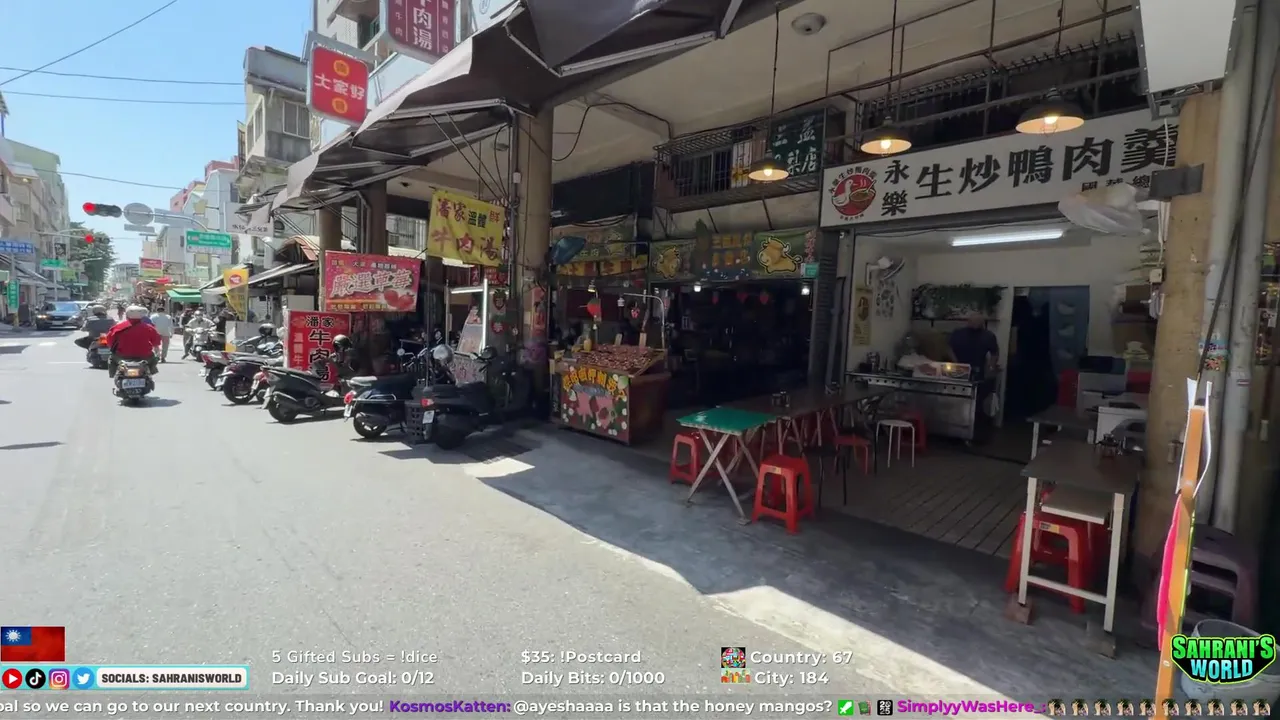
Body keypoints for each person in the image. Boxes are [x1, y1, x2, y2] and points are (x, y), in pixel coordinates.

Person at [948, 311, 1001, 442]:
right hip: (958, 371)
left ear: (982, 323)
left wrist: (991, 367)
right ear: (968, 321)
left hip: (978, 372)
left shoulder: (988, 336)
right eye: (973, 322)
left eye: (978, 322)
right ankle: (957, 432)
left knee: (976, 404)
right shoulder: (958, 333)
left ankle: (975, 434)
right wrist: (956, 363)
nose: (975, 324)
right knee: (957, 401)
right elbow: (948, 348)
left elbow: (994, 353)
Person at [105, 305, 162, 378]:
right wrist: (157, 354)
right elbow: (156, 343)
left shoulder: (118, 327)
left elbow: (109, 342)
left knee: (111, 358)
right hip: (145, 356)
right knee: (153, 359)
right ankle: (150, 375)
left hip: (122, 356)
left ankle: (114, 375)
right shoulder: (149, 328)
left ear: (127, 315)